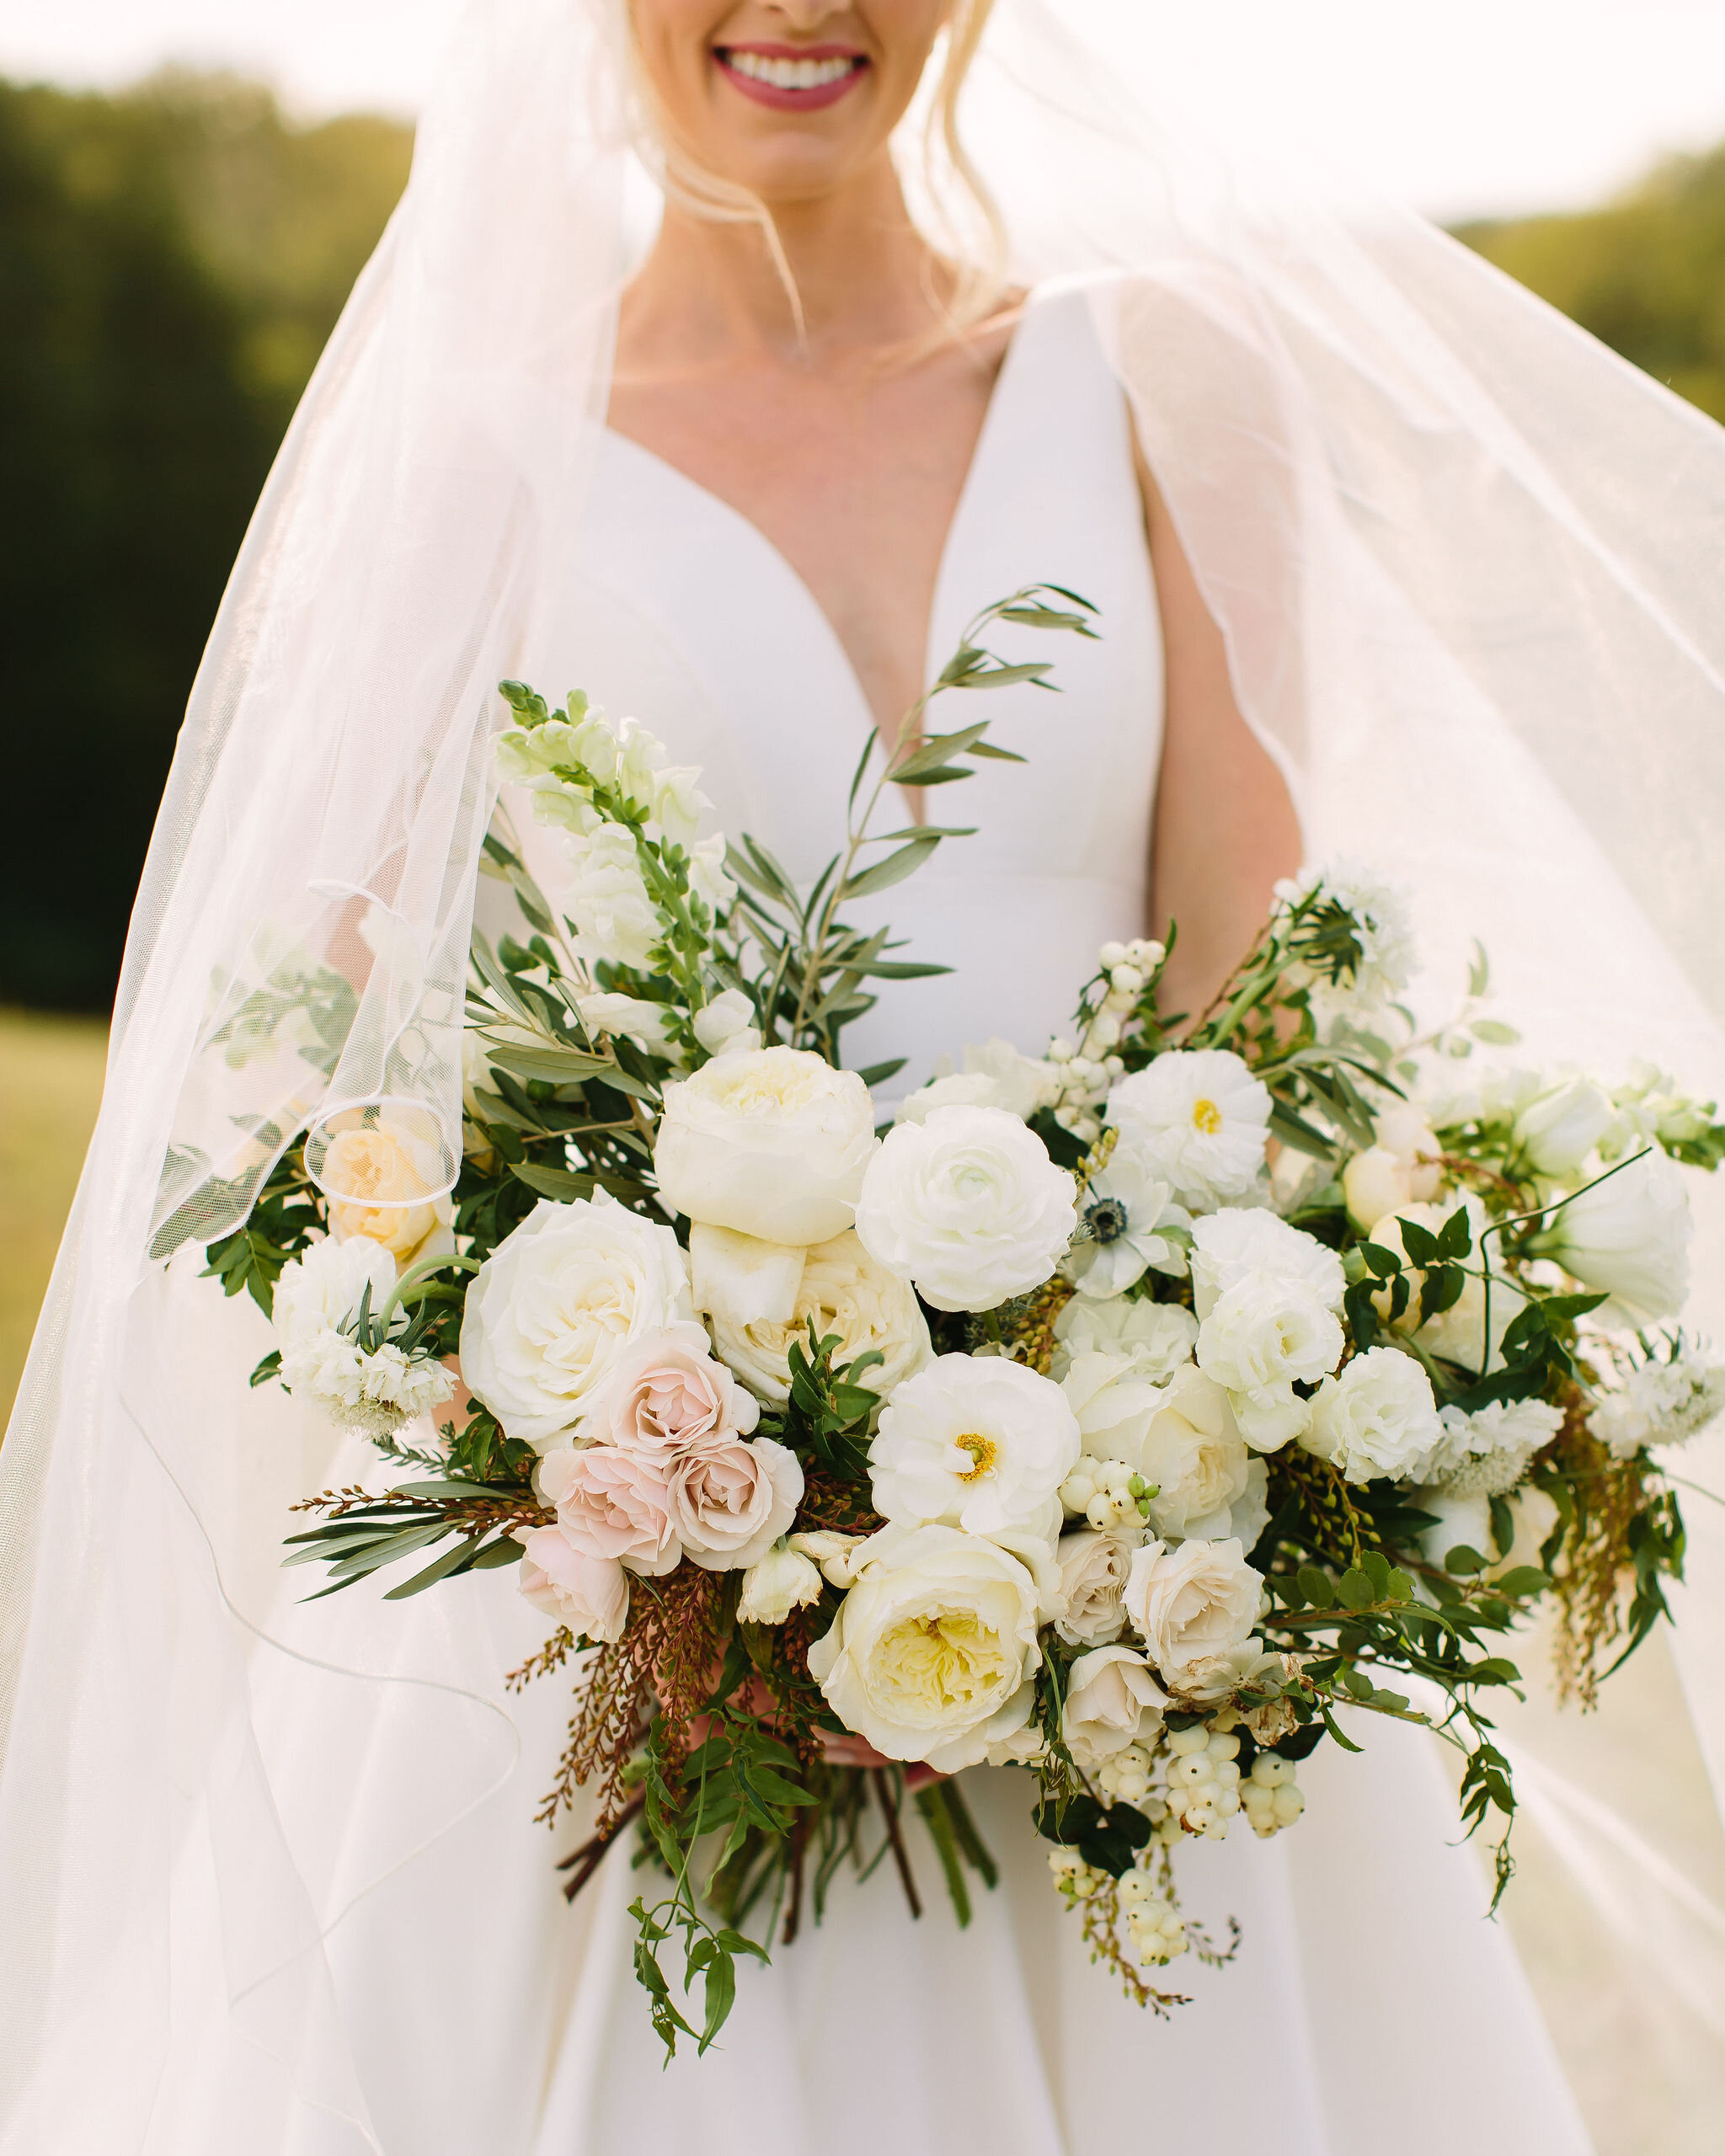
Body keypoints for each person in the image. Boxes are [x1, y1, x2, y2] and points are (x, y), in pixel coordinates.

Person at [3, 1, 1724, 2150]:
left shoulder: (1169, 384)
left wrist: (1128, 1459)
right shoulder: (476, 456)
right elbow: (343, 1098)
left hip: (1128, 1601)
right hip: (637, 1627)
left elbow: (1256, 1009)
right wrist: (649, 1467)